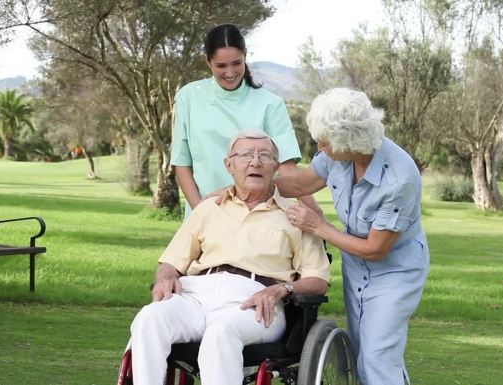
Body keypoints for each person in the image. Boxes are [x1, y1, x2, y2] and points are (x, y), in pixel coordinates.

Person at [126, 130, 331, 385]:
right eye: (246, 155)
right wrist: (165, 275)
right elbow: (172, 260)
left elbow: (318, 279)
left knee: (221, 332)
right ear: (229, 165)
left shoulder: (296, 216)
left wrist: (282, 289)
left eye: (264, 156)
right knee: (150, 318)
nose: (255, 162)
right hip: (196, 294)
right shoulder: (209, 208)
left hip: (255, 302)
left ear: (275, 167)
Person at [273, 88, 430, 385]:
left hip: (396, 271)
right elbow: (298, 185)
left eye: (325, 140)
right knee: (364, 353)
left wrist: (319, 226)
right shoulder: (337, 157)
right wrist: (251, 183)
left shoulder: (399, 178)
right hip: (356, 267)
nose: (319, 145)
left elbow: (375, 249)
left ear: (349, 140)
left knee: (377, 357)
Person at [171, 23, 320, 217]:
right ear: (207, 61)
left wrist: (315, 212)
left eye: (236, 63)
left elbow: (286, 167)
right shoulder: (188, 97)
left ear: (245, 56)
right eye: (221, 66)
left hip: (257, 217)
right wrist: (202, 213)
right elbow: (182, 163)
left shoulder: (270, 104)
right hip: (204, 215)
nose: (230, 72)